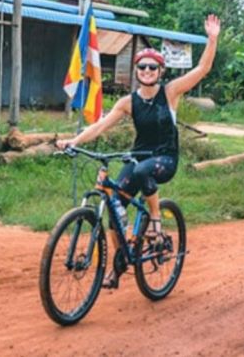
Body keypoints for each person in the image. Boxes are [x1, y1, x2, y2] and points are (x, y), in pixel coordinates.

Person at [58, 14, 220, 283]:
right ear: (136, 71)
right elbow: (99, 126)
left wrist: (212, 39)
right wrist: (73, 142)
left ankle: (155, 218)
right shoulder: (127, 102)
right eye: (142, 67)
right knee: (113, 204)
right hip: (138, 159)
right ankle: (118, 265)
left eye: (152, 68)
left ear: (161, 72)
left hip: (164, 159)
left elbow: (202, 69)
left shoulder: (169, 93)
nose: (146, 71)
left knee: (144, 171)